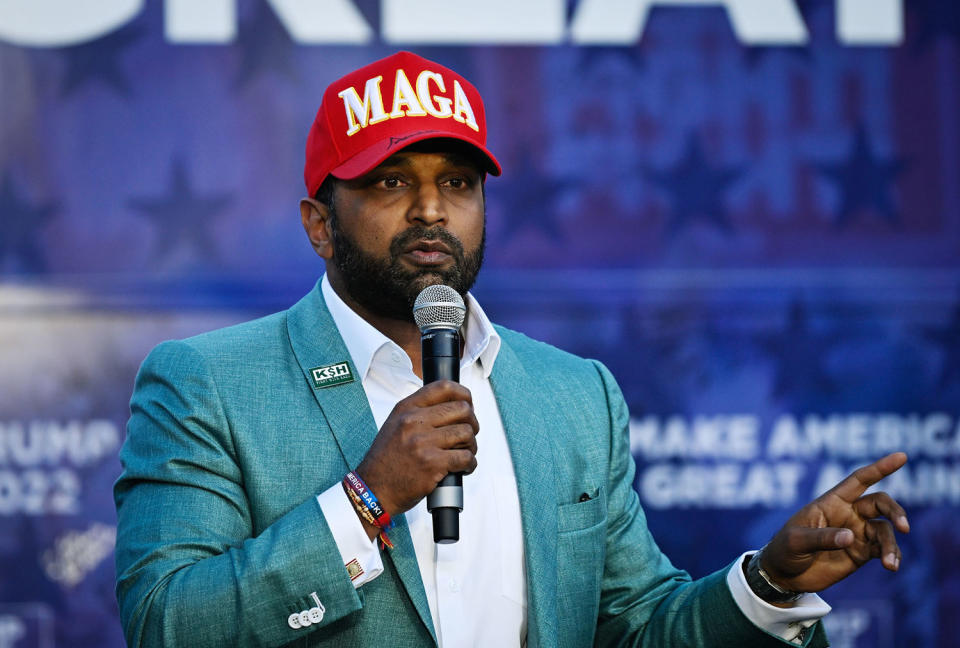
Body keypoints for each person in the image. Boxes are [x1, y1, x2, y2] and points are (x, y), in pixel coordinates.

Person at [114, 51, 909, 648]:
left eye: (458, 182)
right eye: (390, 183)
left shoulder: (572, 393)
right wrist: (366, 500)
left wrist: (766, 585)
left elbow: (634, 626)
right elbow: (165, 623)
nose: (430, 208)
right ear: (319, 224)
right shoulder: (207, 383)